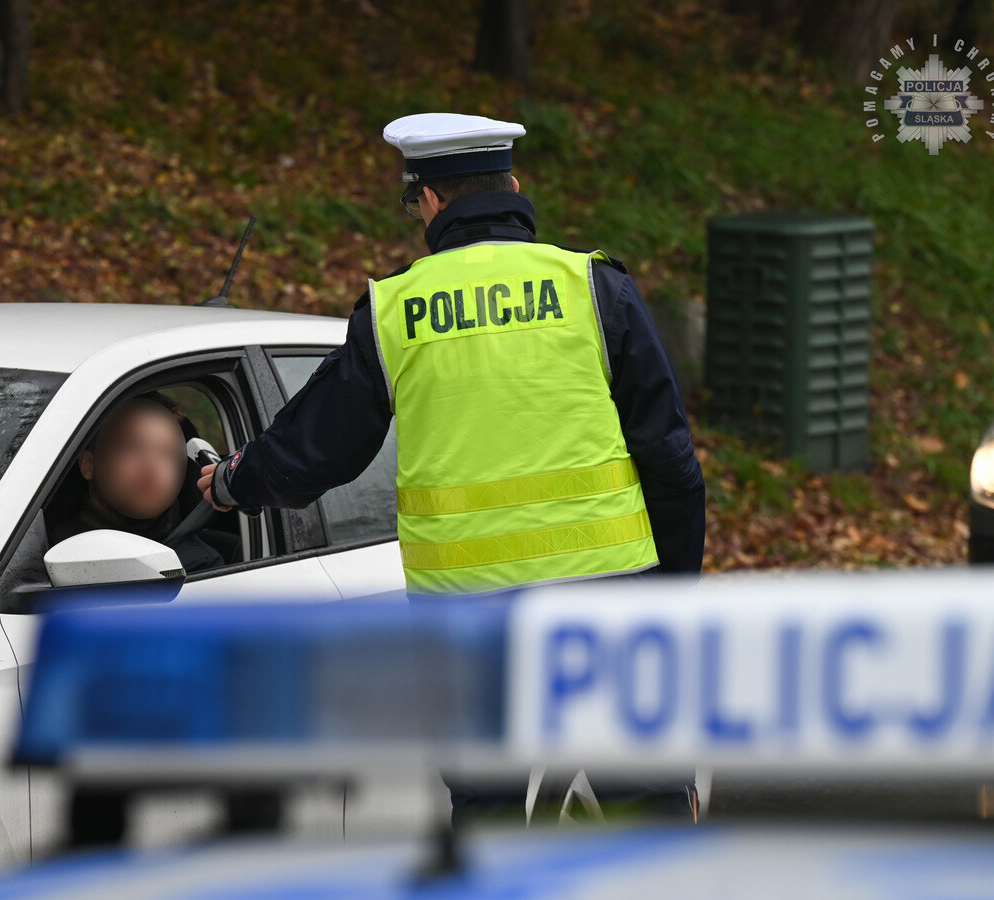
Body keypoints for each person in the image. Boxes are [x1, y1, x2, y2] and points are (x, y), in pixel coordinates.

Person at [197, 112, 705, 825]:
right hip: (610, 604)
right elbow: (671, 461)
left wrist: (229, 484)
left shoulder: (395, 309)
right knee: (644, 816)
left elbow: (318, 450)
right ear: (514, 187)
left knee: (487, 822)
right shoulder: (594, 287)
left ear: (431, 201)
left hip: (468, 617)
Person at [50, 392, 223, 573]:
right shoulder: (39, 549)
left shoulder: (200, 566)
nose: (151, 469)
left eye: (167, 455)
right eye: (132, 448)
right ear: (88, 465)